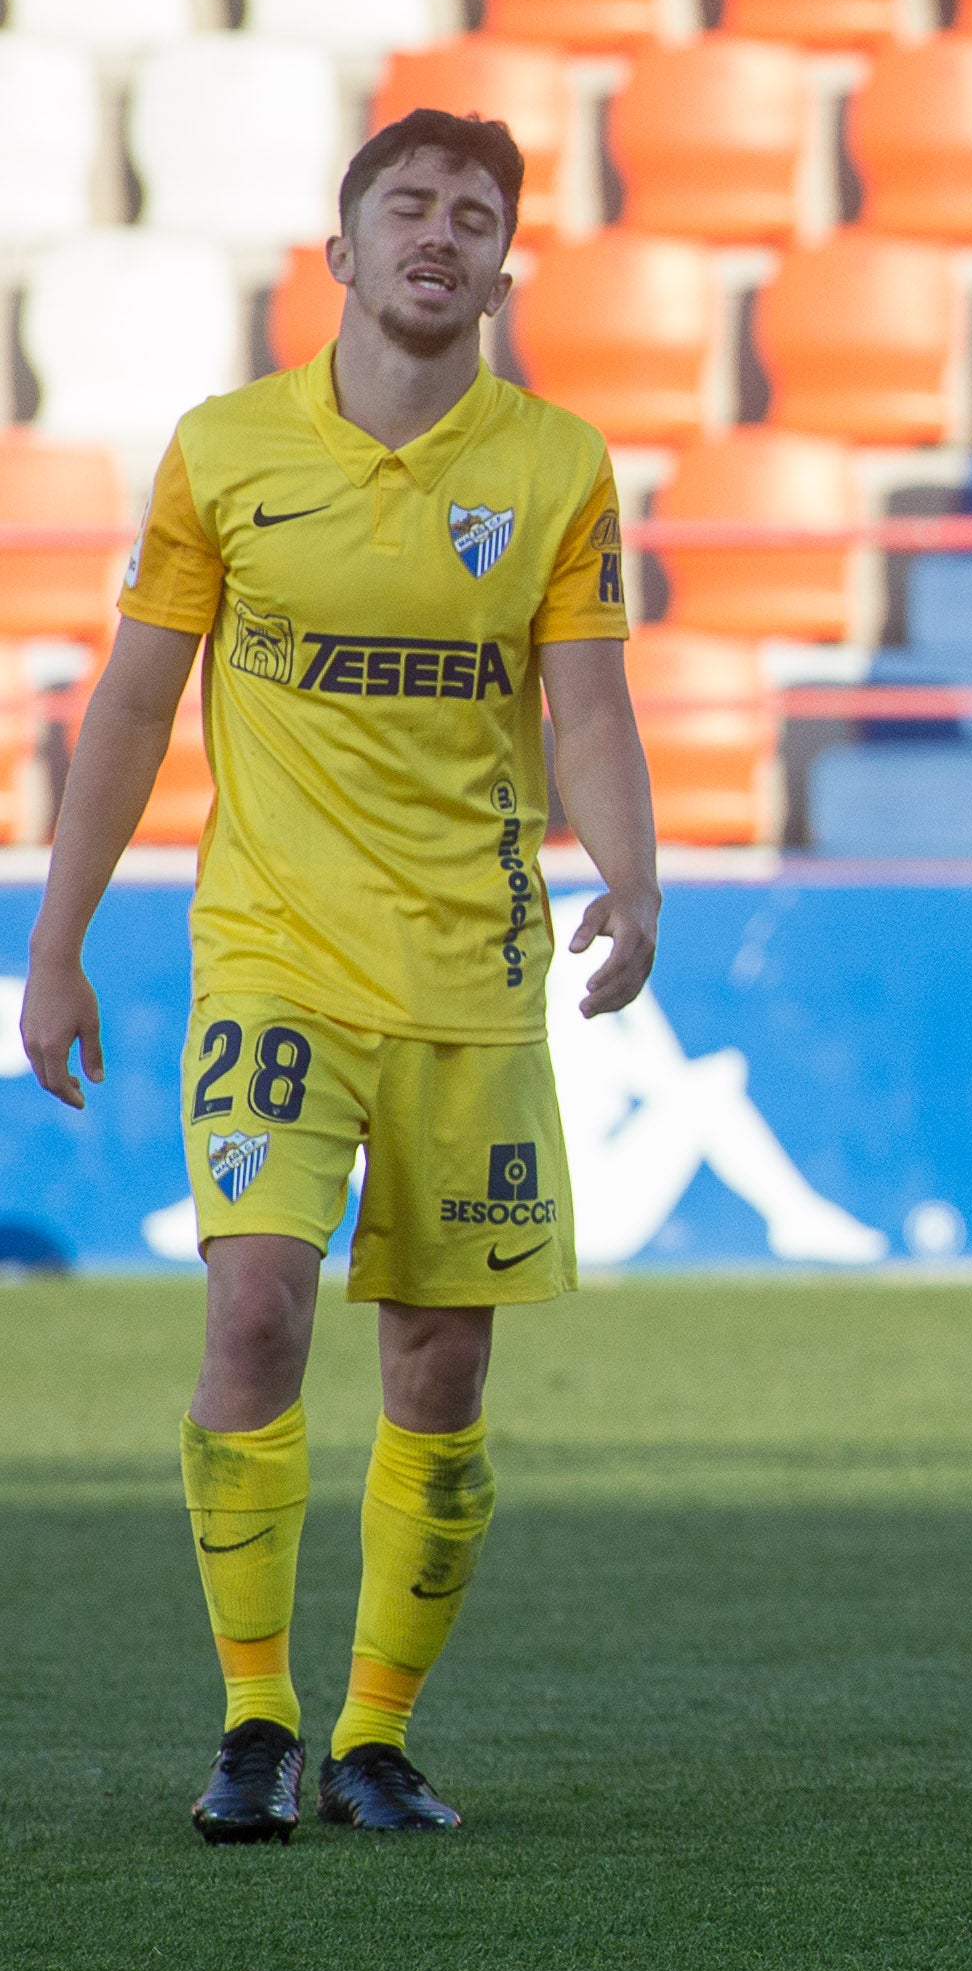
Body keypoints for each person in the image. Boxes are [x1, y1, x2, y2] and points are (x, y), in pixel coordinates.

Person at [16, 109, 661, 1843]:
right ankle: (251, 1719)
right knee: (254, 1302)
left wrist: (634, 872)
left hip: (473, 971)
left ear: (504, 267)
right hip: (273, 958)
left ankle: (375, 1735)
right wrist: (56, 941)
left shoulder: (558, 467)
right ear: (344, 254)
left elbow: (587, 704)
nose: (439, 232)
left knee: (441, 1363)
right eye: (408, 207)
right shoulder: (226, 453)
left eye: (472, 212)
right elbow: (139, 700)